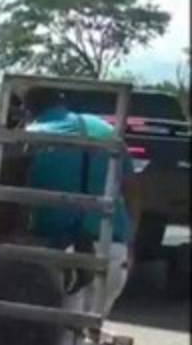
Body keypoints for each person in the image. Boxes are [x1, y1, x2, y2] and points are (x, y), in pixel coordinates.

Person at [22, 86, 141, 322]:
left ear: (27, 110)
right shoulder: (107, 131)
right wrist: (130, 241)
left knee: (58, 339)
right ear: (62, 101)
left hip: (55, 251)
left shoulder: (29, 138)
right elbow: (133, 191)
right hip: (111, 249)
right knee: (89, 331)